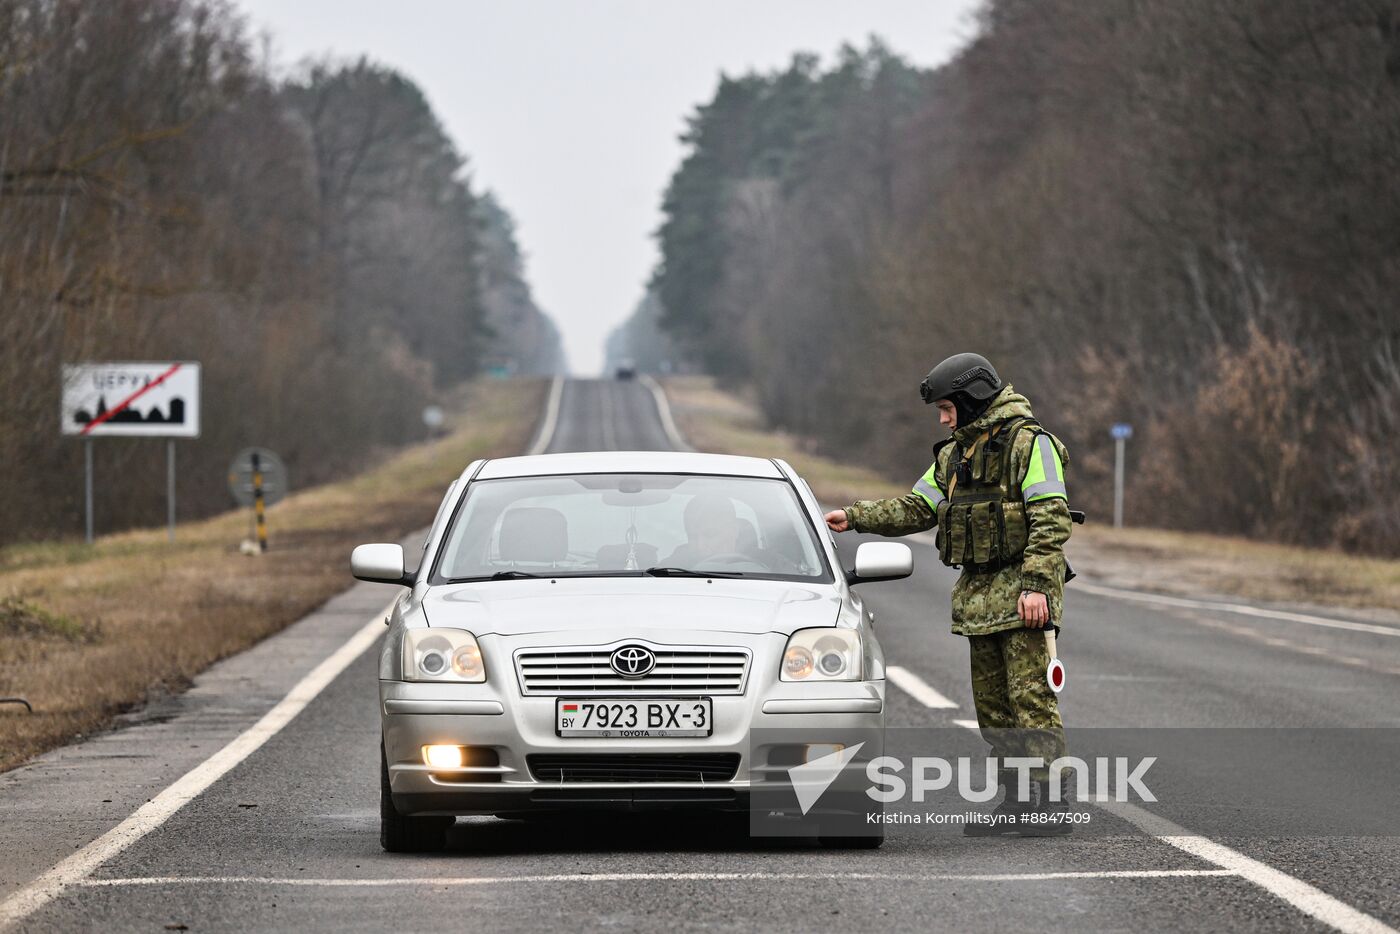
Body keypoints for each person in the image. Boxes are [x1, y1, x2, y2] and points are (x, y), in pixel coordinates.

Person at [824, 352, 1075, 836]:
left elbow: (1050, 518)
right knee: (993, 705)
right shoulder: (955, 455)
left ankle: (1051, 800)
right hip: (980, 598)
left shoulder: (1030, 445)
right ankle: (1018, 799)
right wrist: (854, 517)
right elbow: (917, 506)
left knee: (1031, 701)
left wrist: (1037, 586)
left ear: (972, 399)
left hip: (1024, 592)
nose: (942, 419)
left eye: (946, 408)